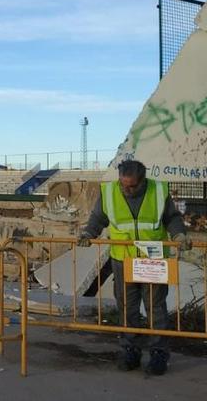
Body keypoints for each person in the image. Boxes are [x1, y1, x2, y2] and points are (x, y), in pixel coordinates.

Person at [77, 159, 191, 376]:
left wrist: (179, 235)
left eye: (132, 186)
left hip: (152, 261)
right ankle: (130, 349)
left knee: (155, 308)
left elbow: (172, 218)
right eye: (123, 185)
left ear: (143, 181)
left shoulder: (158, 191)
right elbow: (97, 219)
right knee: (127, 307)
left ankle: (158, 353)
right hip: (123, 260)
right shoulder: (110, 192)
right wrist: (88, 234)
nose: (127, 189)